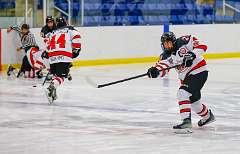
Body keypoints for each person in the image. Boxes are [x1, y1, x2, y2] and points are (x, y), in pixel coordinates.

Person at [147, 31, 215, 133]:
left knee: (182, 93)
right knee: (195, 103)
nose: (167, 46)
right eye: (165, 44)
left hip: (199, 71)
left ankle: (186, 122)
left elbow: (202, 46)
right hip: (187, 78)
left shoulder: (184, 41)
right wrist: (155, 71)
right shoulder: (165, 56)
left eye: (169, 43)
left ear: (174, 41)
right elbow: (162, 68)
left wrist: (192, 54)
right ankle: (208, 116)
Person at [45, 17, 81, 103]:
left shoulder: (53, 32)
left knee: (56, 75)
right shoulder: (70, 29)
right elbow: (77, 36)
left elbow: (47, 45)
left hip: (52, 56)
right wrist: (76, 50)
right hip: (64, 55)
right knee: (61, 76)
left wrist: (48, 53)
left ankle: (53, 93)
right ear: (66, 22)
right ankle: (52, 87)